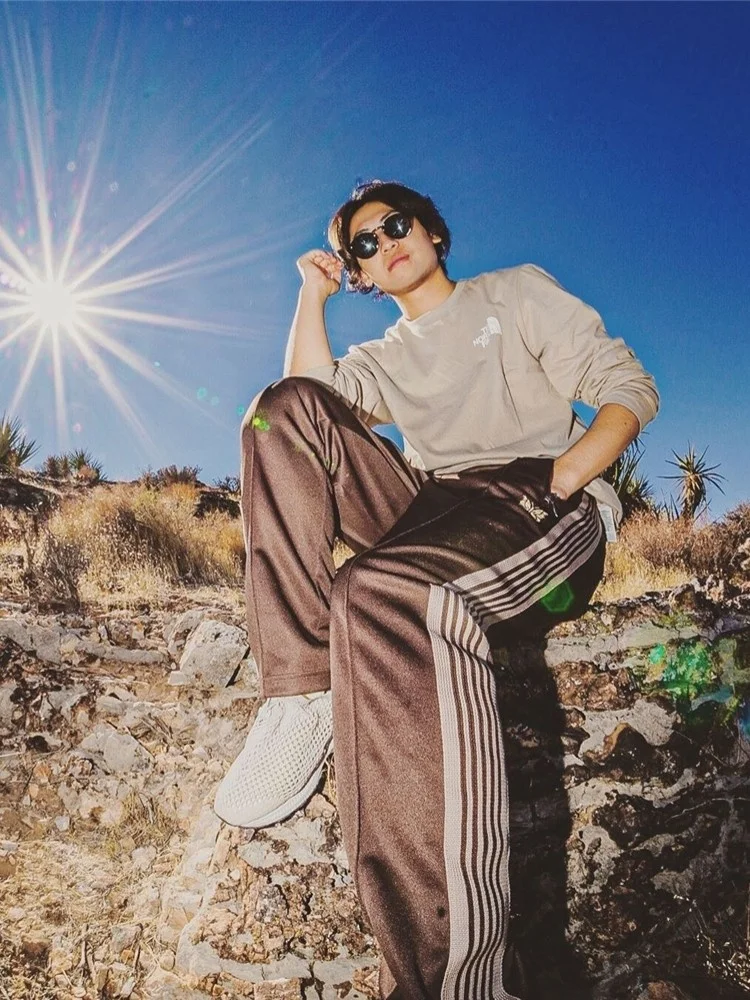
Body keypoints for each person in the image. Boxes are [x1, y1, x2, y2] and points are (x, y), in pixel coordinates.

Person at [214, 180, 659, 999]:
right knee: (276, 413)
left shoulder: (513, 293)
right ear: (359, 272)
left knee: (382, 594)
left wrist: (563, 478)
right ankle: (302, 692)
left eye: (397, 225)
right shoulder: (384, 357)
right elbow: (306, 405)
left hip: (536, 497)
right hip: (432, 509)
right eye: (365, 244)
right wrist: (312, 292)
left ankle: (461, 980)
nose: (386, 243)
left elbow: (627, 388)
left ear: (433, 232)